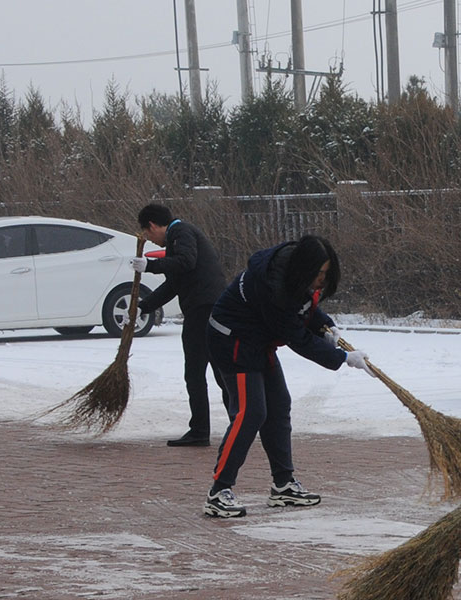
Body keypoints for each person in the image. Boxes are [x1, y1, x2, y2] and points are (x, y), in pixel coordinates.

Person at [201, 234, 373, 519]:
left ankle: (283, 485)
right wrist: (343, 359)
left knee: (279, 406)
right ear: (304, 268)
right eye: (319, 273)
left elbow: (305, 307)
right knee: (251, 413)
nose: (322, 279)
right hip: (232, 343)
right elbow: (296, 336)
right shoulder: (274, 288)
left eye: (326, 273)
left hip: (257, 342)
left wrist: (327, 327)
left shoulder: (292, 276)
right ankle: (218, 492)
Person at [135, 203, 233, 447]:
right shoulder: (178, 237)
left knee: (199, 372)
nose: (149, 239)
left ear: (153, 225)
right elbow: (174, 284)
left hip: (203, 309)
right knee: (217, 370)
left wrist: (151, 266)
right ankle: (239, 423)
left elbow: (186, 262)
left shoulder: (181, 233)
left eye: (148, 233)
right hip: (208, 308)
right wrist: (142, 307)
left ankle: (205, 430)